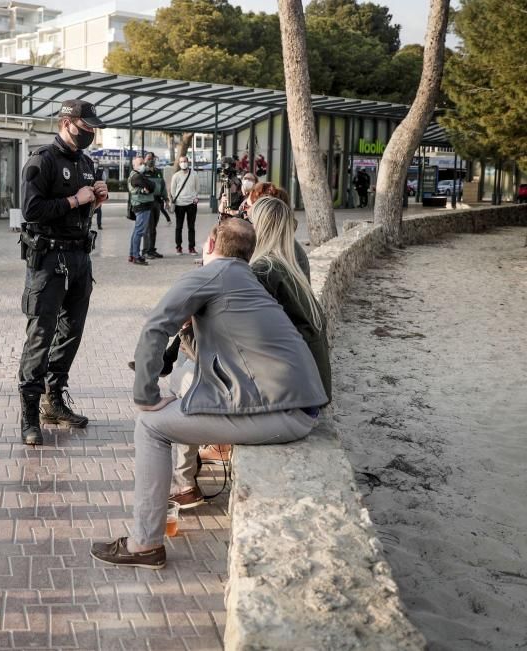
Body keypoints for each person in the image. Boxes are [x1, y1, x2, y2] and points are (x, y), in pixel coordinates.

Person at [90, 218, 328, 569]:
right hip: (297, 406)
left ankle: (144, 544)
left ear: (212, 244)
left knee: (150, 425)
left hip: (282, 414)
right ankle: (160, 518)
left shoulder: (209, 274)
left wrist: (146, 395)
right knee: (174, 401)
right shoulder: (246, 278)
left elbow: (155, 327)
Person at [169, 197, 332, 509]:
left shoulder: (261, 272)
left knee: (186, 381)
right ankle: (212, 448)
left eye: (248, 220)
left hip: (289, 396)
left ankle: (184, 483)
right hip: (310, 386)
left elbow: (217, 352)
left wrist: (188, 323)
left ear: (258, 229)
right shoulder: (291, 259)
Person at [18, 99, 108, 445]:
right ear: (66, 122)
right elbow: (31, 209)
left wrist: (96, 197)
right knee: (40, 334)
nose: (90, 134)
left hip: (80, 259)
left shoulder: (86, 162)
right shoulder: (43, 160)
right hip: (48, 261)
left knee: (71, 332)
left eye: (93, 129)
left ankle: (53, 400)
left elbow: (85, 203)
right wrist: (76, 200)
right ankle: (28, 415)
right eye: (85, 128)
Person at [169, 155, 199, 255]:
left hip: (191, 204)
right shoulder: (176, 175)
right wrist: (175, 200)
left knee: (191, 227)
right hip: (179, 204)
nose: (183, 163)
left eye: (185, 161)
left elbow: (197, 188)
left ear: (188, 162)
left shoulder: (194, 174)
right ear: (179, 163)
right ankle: (178, 247)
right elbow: (173, 191)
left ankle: (192, 247)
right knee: (179, 227)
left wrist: (195, 198)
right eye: (181, 161)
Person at [128, 156, 155, 265]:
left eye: (143, 163)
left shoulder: (138, 175)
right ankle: (136, 256)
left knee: (136, 231)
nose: (143, 165)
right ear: (134, 165)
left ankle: (132, 254)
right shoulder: (136, 177)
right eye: (140, 163)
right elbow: (151, 185)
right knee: (139, 232)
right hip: (142, 206)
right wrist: (148, 187)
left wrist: (149, 187)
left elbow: (152, 186)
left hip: (141, 206)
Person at [141, 152, 168, 258]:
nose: (151, 160)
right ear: (144, 160)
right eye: (148, 158)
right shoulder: (142, 172)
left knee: (153, 228)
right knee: (148, 228)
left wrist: (166, 198)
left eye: (152, 158)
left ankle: (152, 249)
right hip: (147, 202)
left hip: (157, 202)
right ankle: (145, 251)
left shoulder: (158, 172)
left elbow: (163, 186)